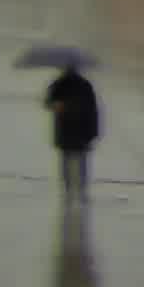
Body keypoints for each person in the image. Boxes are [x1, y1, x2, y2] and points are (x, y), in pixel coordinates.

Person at [44, 65, 101, 195]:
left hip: (65, 131)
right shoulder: (85, 85)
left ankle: (69, 189)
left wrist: (56, 105)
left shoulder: (58, 84)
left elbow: (47, 102)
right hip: (82, 131)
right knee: (80, 163)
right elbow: (93, 111)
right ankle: (80, 189)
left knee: (67, 162)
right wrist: (93, 133)